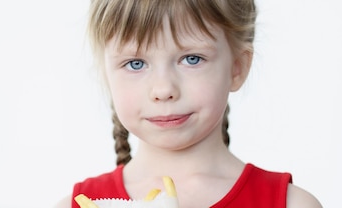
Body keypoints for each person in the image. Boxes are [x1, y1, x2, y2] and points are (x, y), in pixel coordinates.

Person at [55, 0, 322, 207]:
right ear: (106, 73)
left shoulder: (290, 204)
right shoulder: (75, 205)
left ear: (237, 68)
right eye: (135, 64)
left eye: (192, 59)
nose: (163, 90)